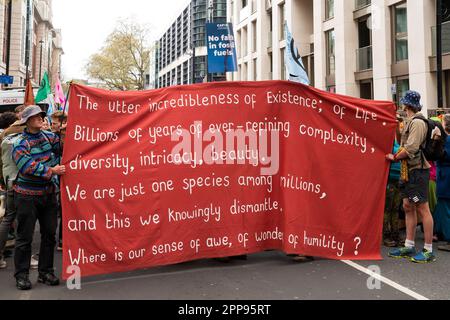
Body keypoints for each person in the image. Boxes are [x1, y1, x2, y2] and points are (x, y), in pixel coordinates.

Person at [12, 105, 66, 290]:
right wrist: (52, 170)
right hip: (26, 197)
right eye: (36, 116)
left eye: (41, 116)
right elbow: (26, 166)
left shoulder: (49, 137)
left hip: (48, 195)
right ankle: (21, 275)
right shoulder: (20, 143)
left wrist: (62, 135)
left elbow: (62, 149)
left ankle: (45, 272)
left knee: (49, 235)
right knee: (24, 238)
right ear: (27, 121)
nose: (40, 118)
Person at [386, 90, 436, 263]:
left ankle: (428, 250)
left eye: (403, 103)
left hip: (417, 171)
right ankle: (409, 244)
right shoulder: (410, 121)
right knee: (408, 205)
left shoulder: (417, 123)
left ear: (407, 104)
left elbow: (411, 148)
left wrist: (394, 157)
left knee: (422, 208)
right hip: (409, 171)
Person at [434, 114, 450, 252]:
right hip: (445, 175)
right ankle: (439, 232)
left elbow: (443, 155)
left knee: (445, 208)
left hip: (446, 176)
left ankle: (449, 239)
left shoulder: (448, 139)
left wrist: (437, 140)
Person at [383, 139, 401, 247]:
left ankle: (395, 235)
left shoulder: (397, 144)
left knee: (395, 209)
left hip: (398, 179)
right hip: (388, 179)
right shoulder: (385, 143)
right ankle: (386, 236)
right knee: (387, 209)